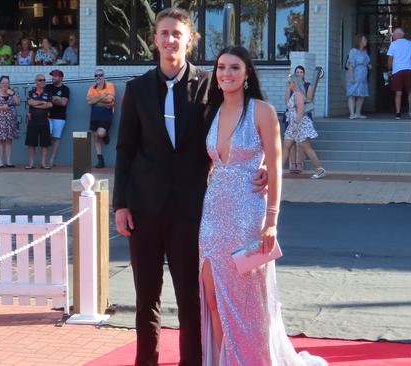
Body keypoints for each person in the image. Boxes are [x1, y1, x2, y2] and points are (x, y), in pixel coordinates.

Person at [113, 9, 266, 366]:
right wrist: (121, 204)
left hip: (194, 210)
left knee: (190, 298)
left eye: (177, 34)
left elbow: (239, 126)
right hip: (144, 210)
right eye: (163, 33)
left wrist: (264, 168)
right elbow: (125, 149)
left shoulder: (210, 86)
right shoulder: (136, 89)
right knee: (146, 297)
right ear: (154, 39)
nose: (170, 40)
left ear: (189, 40)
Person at [199, 45, 327, 366]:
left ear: (246, 74)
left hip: (249, 217)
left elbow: (275, 162)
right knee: (213, 297)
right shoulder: (210, 112)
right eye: (221, 67)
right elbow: (206, 164)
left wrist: (272, 220)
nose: (226, 73)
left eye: (234, 68)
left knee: (249, 302)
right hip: (212, 214)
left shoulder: (262, 111)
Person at [283, 74, 327, 179]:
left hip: (299, 125)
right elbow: (288, 105)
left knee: (306, 147)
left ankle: (320, 169)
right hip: (293, 125)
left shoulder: (298, 94)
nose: (288, 84)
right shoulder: (294, 94)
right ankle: (277, 170)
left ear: (294, 83)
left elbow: (301, 110)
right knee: (286, 147)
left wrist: (296, 125)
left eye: (290, 82)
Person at [284, 65, 312, 174]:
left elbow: (308, 102)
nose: (299, 74)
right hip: (291, 117)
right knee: (290, 143)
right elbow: (287, 102)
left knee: (302, 142)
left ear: (304, 74)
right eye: (297, 72)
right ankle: (292, 164)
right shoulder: (290, 86)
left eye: (301, 72)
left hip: (304, 116)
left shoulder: (308, 86)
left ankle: (299, 164)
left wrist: (299, 109)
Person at [87, 69, 115, 169]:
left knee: (100, 134)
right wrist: (102, 97)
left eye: (100, 75)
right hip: (94, 115)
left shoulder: (110, 85)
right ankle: (100, 159)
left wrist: (96, 100)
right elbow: (89, 101)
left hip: (106, 115)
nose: (98, 77)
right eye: (96, 75)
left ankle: (105, 134)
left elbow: (110, 100)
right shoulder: (91, 88)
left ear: (104, 76)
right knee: (95, 137)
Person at [387, 28, 411, 119]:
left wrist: (389, 69)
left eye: (394, 34)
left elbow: (390, 59)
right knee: (410, 92)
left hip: (397, 70)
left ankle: (398, 113)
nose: (393, 36)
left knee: (398, 92)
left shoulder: (393, 44)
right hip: (408, 69)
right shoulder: (410, 43)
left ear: (399, 34)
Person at [25, 73, 53, 169]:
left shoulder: (48, 93)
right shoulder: (30, 92)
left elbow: (49, 105)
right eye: (40, 80)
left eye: (44, 80)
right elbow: (30, 102)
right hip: (32, 121)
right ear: (36, 82)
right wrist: (42, 102)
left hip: (44, 121)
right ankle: (31, 163)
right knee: (31, 143)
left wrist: (35, 104)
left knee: (44, 144)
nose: (43, 82)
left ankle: (43, 163)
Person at [45, 69, 70, 167]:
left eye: (55, 76)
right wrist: (56, 99)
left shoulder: (65, 89)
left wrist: (52, 98)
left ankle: (51, 161)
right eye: (52, 76)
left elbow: (63, 103)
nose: (53, 78)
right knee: (47, 137)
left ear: (61, 78)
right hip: (47, 116)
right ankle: (44, 161)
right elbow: (44, 99)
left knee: (56, 138)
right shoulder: (48, 87)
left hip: (59, 117)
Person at [346, 34, 371, 119]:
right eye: (364, 40)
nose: (366, 41)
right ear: (359, 41)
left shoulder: (364, 52)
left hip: (363, 77)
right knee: (352, 94)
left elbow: (367, 62)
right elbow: (350, 65)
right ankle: (352, 114)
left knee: (361, 95)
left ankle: (358, 113)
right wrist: (351, 77)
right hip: (355, 75)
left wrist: (369, 66)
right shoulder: (353, 51)